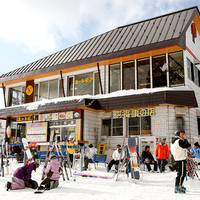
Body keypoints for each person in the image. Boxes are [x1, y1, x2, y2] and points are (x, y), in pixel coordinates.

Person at [171, 130, 191, 194]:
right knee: (181, 174)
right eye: (181, 133)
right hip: (180, 159)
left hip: (178, 158)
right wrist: (185, 139)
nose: (182, 135)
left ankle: (179, 185)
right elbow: (187, 145)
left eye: (183, 133)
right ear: (178, 134)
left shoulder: (175, 140)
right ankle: (178, 187)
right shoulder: (178, 141)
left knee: (181, 173)